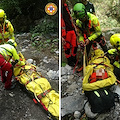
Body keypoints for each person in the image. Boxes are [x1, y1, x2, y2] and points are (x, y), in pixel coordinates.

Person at [61, 0, 78, 67]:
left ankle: (74, 59)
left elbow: (70, 18)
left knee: (75, 46)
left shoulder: (65, 6)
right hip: (65, 32)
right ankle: (70, 61)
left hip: (71, 29)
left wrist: (75, 28)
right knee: (67, 48)